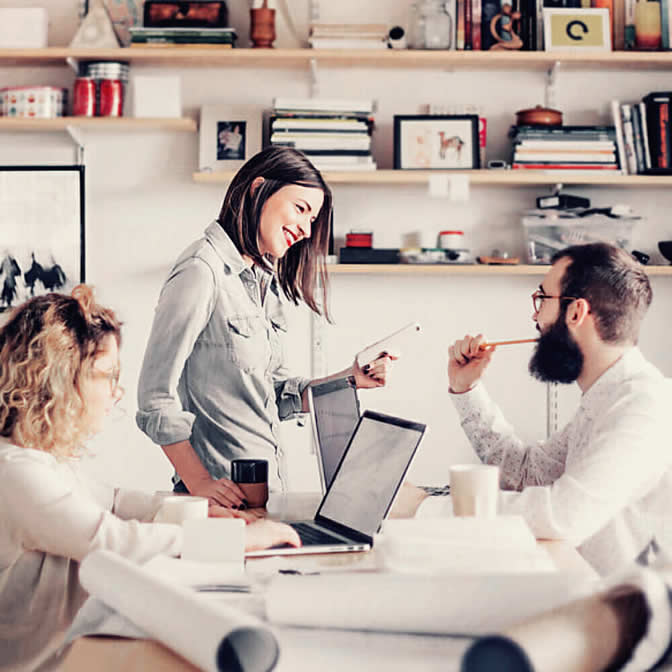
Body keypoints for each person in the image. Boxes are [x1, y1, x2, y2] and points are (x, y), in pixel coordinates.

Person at [0, 287, 300, 671]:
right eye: (106, 376)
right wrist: (239, 540)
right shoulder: (16, 474)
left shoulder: (43, 459)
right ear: (59, 380)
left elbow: (114, 501)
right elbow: (110, 541)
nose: (116, 392)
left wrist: (199, 509)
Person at [136, 146, 395, 509]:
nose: (307, 229)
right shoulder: (201, 272)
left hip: (264, 496)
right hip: (220, 506)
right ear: (258, 189)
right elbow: (154, 397)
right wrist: (200, 483)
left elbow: (269, 394)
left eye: (313, 218)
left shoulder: (259, 279)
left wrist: (349, 379)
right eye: (301, 209)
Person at [416, 243, 672, 575]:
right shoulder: (606, 398)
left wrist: (426, 508)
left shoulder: (642, 407)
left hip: (634, 616)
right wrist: (467, 389)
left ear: (576, 312)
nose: (535, 316)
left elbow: (564, 517)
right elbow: (527, 475)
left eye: (542, 298)